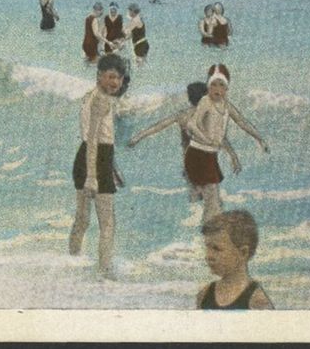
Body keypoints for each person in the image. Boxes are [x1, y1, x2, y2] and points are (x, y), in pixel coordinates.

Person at [69, 54, 129, 278]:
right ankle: (105, 272)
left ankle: (71, 261)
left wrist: (112, 168)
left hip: (86, 157)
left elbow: (96, 138)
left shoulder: (93, 95)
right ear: (99, 76)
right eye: (111, 76)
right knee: (107, 223)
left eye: (119, 78)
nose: (115, 82)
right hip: (95, 160)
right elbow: (95, 139)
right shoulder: (102, 101)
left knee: (83, 220)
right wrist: (93, 177)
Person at [185, 64, 268, 224]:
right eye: (213, 85)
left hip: (209, 156)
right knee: (213, 201)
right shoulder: (205, 102)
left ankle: (208, 232)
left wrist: (259, 139)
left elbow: (242, 122)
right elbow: (191, 125)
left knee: (214, 202)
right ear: (208, 87)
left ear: (227, 88)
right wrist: (206, 139)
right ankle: (209, 234)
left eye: (221, 85)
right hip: (198, 154)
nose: (217, 89)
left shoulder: (227, 105)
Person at [128, 82, 241, 199]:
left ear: (189, 98)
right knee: (211, 200)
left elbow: (159, 126)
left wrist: (138, 137)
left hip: (189, 163)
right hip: (206, 162)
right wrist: (233, 157)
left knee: (195, 196)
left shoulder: (183, 115)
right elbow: (222, 139)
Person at [196, 210, 275, 310]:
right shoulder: (204, 295)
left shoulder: (257, 300)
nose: (208, 256)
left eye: (216, 249)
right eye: (207, 248)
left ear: (243, 253)